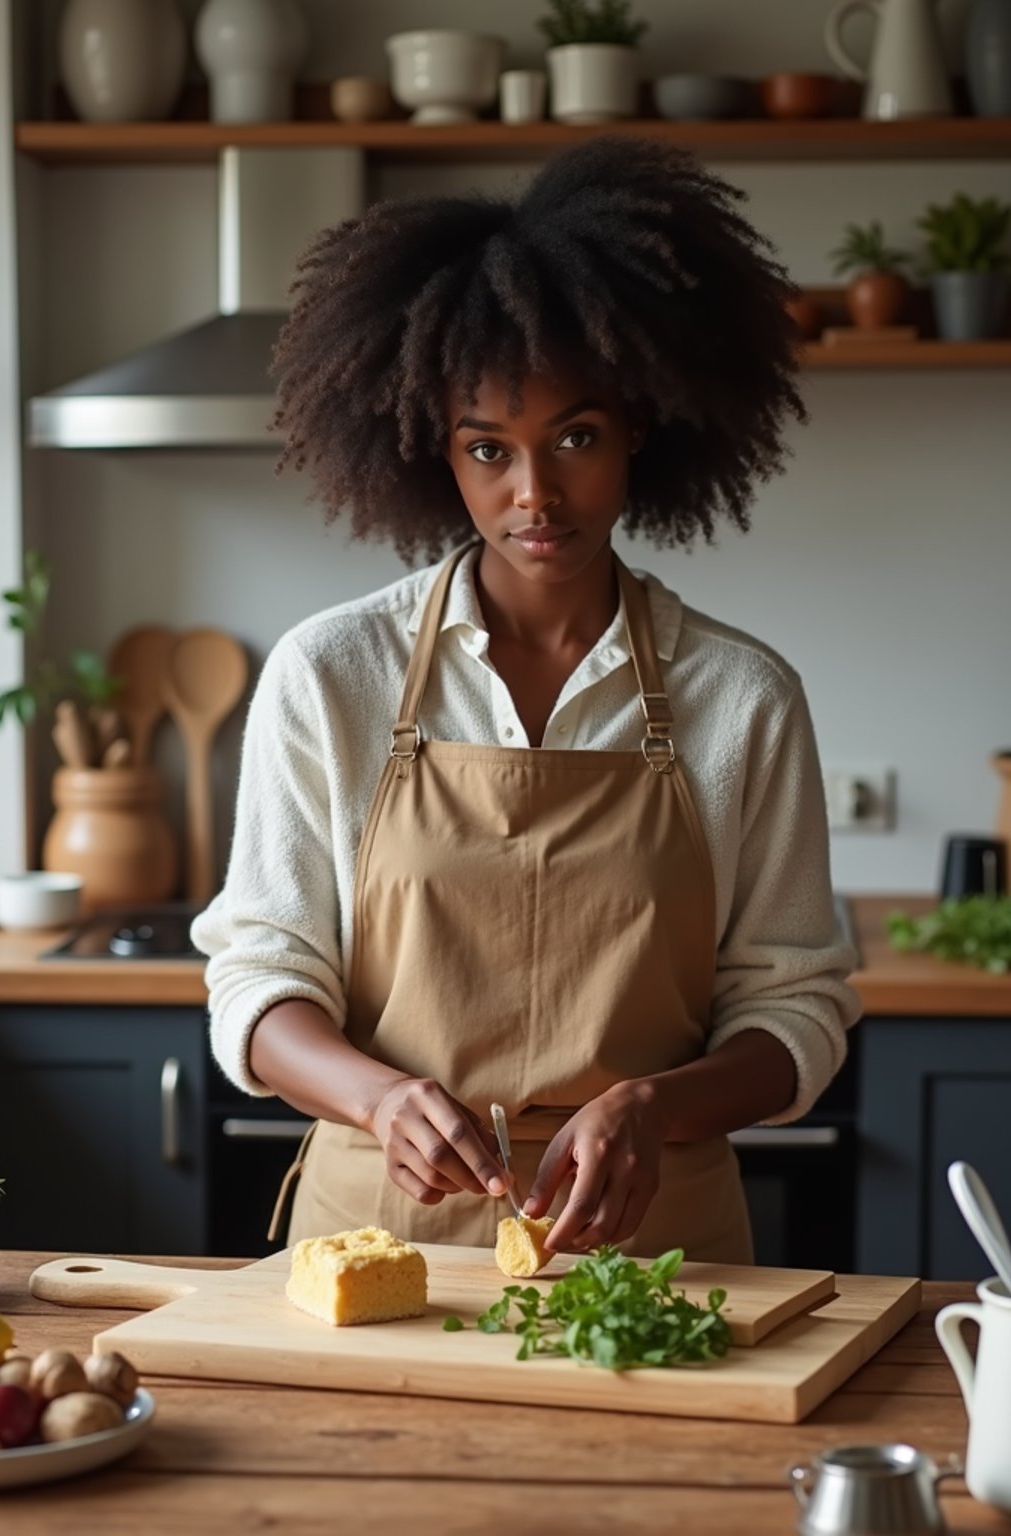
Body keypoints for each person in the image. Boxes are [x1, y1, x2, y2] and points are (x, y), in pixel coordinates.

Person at [191, 136, 861, 1264]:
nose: (535, 493)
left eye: (576, 440)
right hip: (381, 1247)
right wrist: (376, 1097)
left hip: (658, 1252)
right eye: (488, 449)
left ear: (639, 429)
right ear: (431, 454)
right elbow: (259, 979)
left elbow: (794, 1008)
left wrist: (656, 1109)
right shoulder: (329, 674)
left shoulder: (739, 697)